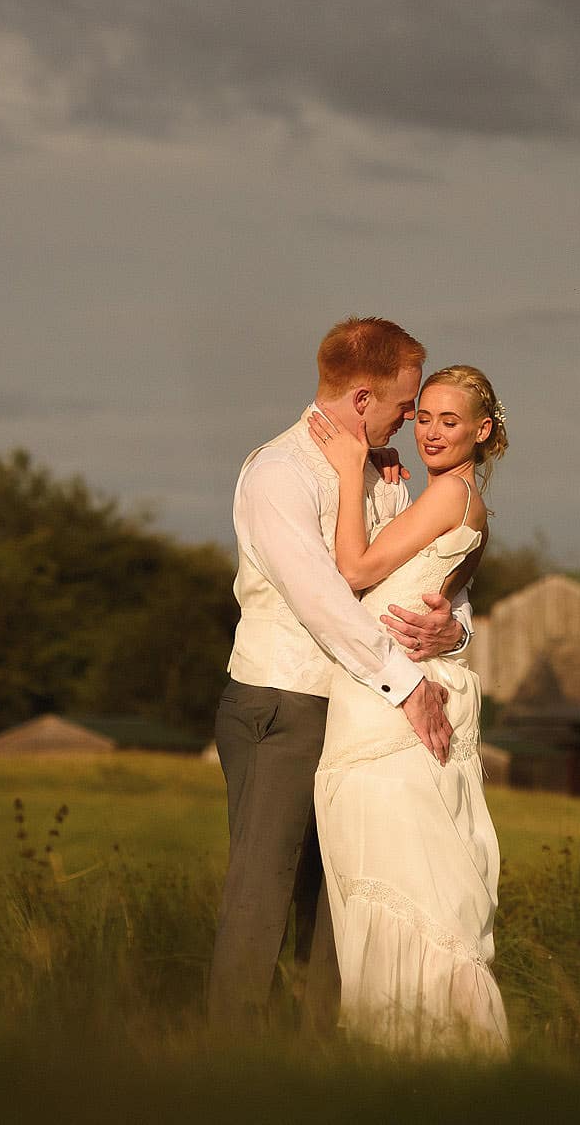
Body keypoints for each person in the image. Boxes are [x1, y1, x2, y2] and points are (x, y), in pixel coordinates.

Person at [208, 318, 472, 1029]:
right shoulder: (280, 472)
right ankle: (227, 1068)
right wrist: (411, 687)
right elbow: (322, 600)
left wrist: (456, 627)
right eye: (405, 404)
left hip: (356, 713)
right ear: (362, 399)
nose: (412, 419)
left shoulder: (381, 474)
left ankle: (316, 1060)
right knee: (263, 892)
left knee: (342, 895)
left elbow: (414, 578)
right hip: (282, 704)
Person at [307, 364, 509, 1051]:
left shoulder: (450, 497)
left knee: (401, 879)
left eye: (449, 421)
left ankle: (414, 1047)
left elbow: (356, 573)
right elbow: (430, 598)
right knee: (398, 875)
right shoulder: (459, 502)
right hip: (391, 693)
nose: (429, 431)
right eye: (423, 416)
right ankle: (415, 1048)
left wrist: (346, 470)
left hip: (386, 710)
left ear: (481, 432)